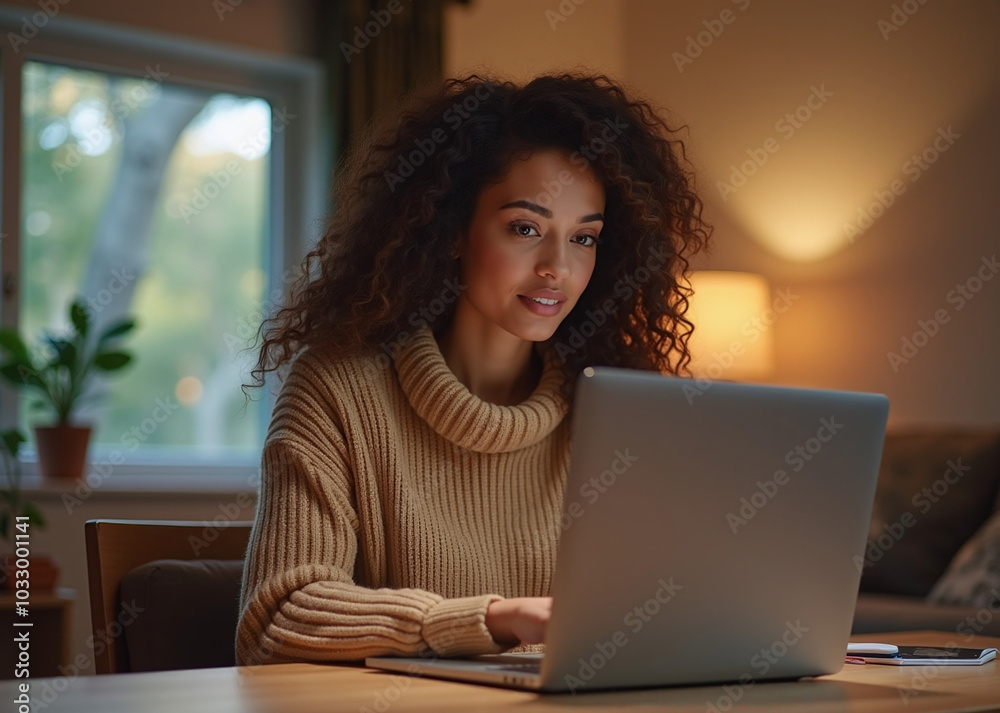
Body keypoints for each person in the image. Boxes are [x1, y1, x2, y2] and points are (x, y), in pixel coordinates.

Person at [236, 71, 710, 665]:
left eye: (583, 239)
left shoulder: (618, 409)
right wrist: (487, 620)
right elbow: (278, 617)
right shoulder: (337, 389)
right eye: (525, 228)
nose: (557, 268)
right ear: (453, 230)